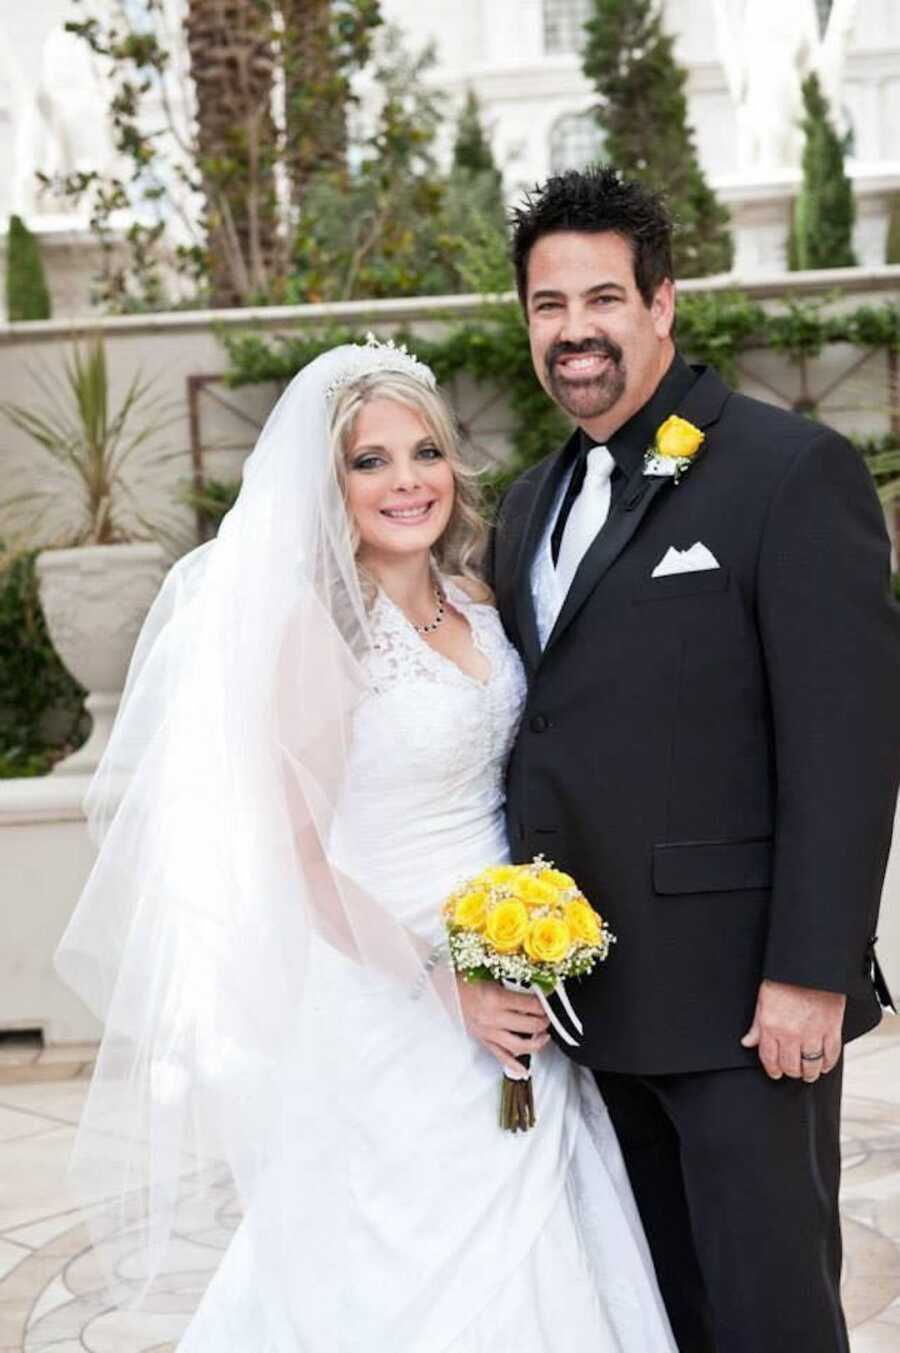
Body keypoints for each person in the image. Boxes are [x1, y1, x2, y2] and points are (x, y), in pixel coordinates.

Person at [56, 339, 677, 1352]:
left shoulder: (477, 601)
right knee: (404, 1256)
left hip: (512, 956)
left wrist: (522, 941)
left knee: (546, 1230)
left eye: (424, 451)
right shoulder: (319, 638)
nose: (406, 481)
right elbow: (299, 864)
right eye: (370, 460)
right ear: (328, 486)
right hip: (392, 982)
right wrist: (448, 982)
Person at [487, 165, 900, 1353]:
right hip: (584, 1008)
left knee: (769, 1316)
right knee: (654, 1318)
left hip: (740, 1008)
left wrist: (812, 972)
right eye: (548, 308)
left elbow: (848, 737)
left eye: (602, 299)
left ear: (663, 302)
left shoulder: (787, 472)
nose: (575, 333)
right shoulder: (526, 506)